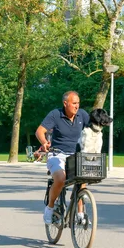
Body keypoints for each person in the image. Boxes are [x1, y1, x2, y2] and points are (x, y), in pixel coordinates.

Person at [35, 91, 90, 224]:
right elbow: (39, 131)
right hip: (57, 153)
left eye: (78, 103)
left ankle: (81, 214)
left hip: (75, 155)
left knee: (82, 178)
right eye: (74, 103)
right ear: (65, 103)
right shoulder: (55, 114)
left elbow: (92, 130)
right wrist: (44, 143)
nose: (77, 106)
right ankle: (50, 207)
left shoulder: (82, 115)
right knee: (60, 178)